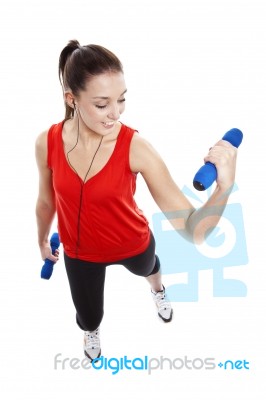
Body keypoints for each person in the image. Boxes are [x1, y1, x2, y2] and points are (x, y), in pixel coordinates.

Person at [35, 40, 238, 362]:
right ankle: (91, 331)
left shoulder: (136, 146)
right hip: (78, 251)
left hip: (131, 241)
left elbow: (194, 231)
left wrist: (223, 188)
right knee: (89, 318)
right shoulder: (47, 141)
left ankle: (157, 288)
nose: (115, 113)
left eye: (121, 100)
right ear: (71, 99)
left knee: (150, 266)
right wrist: (43, 240)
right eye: (102, 104)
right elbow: (47, 201)